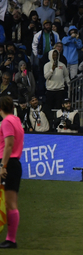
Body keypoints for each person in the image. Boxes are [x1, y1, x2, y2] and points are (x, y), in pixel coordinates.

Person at [0, 96, 24, 249]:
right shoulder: (16, 119)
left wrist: (3, 165)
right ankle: (10, 238)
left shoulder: (7, 122)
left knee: (10, 203)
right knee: (9, 202)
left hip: (9, 163)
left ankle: (11, 239)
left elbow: (9, 145)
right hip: (13, 163)